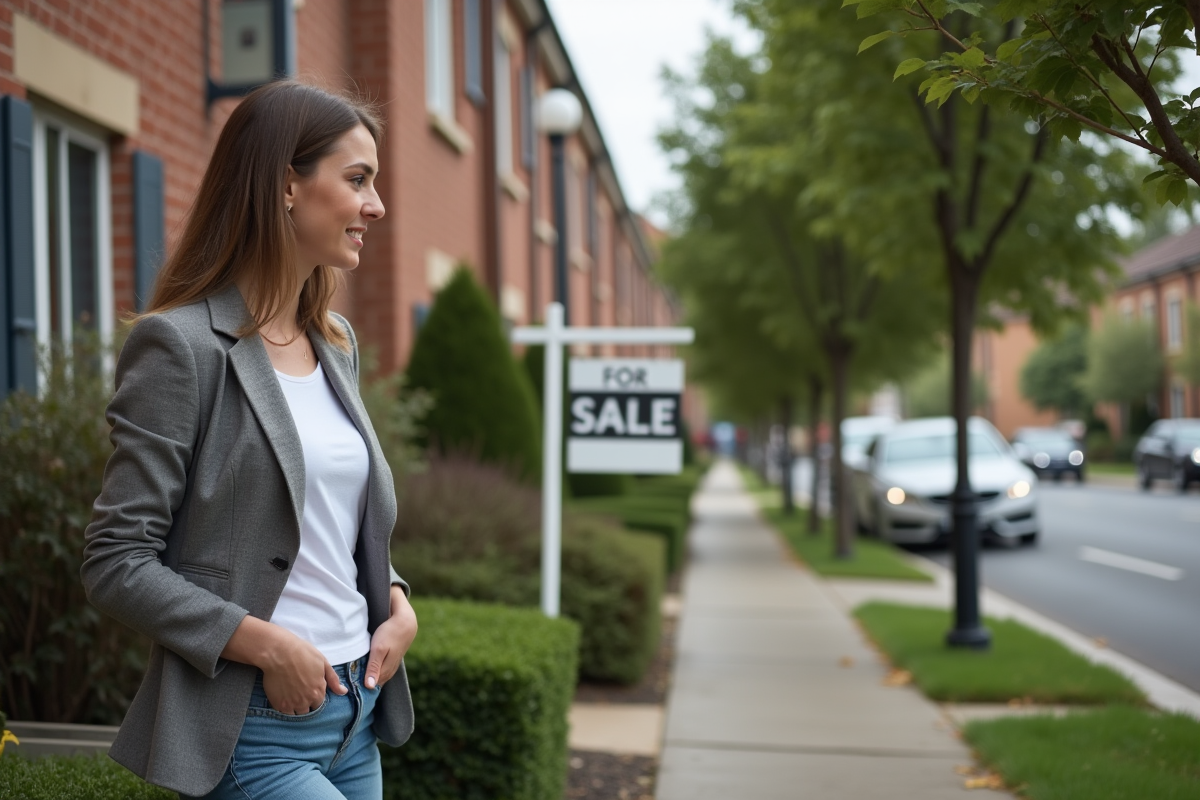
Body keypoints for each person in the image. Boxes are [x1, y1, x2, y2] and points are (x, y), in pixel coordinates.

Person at [80, 81, 417, 800]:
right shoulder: (178, 347)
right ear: (285, 186)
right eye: (357, 179)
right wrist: (266, 645)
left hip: (356, 714)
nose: (376, 206)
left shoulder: (335, 342)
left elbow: (324, 517)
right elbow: (116, 560)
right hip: (252, 724)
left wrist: (393, 597)